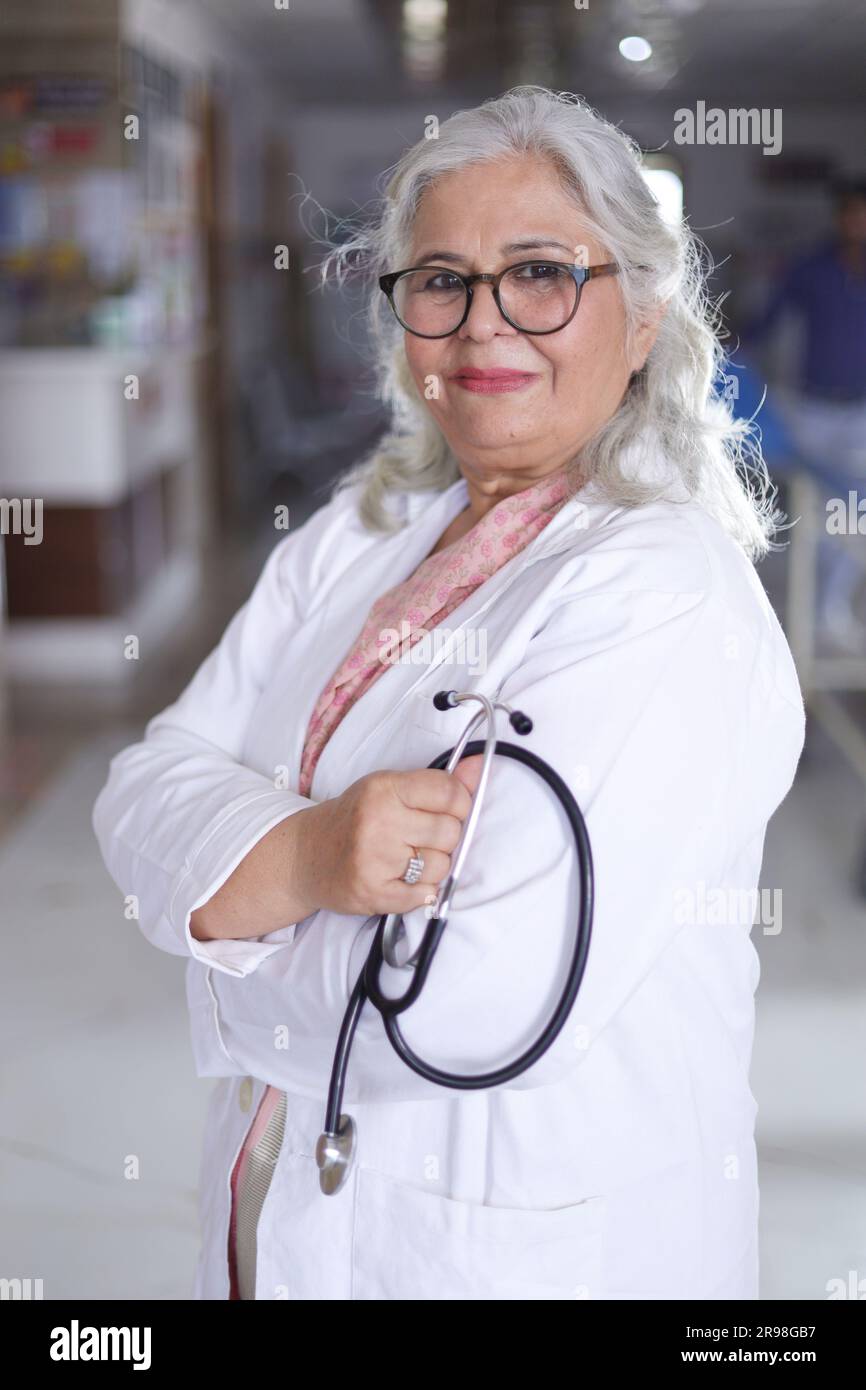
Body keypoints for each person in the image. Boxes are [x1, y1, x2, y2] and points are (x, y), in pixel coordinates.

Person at [92, 85, 805, 1301]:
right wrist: (314, 857)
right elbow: (138, 788)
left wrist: (217, 901)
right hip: (281, 1202)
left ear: (638, 316)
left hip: (519, 1256)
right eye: (438, 281)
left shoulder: (658, 593)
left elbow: (467, 1006)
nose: (482, 327)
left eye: (539, 274)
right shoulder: (361, 532)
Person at [741, 178, 866, 647]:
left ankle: (828, 608)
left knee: (855, 511)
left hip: (861, 414)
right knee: (813, 509)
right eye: (850, 213)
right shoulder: (812, 268)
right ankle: (802, 609)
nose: (857, 223)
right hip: (814, 409)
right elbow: (768, 320)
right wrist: (731, 348)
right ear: (840, 218)